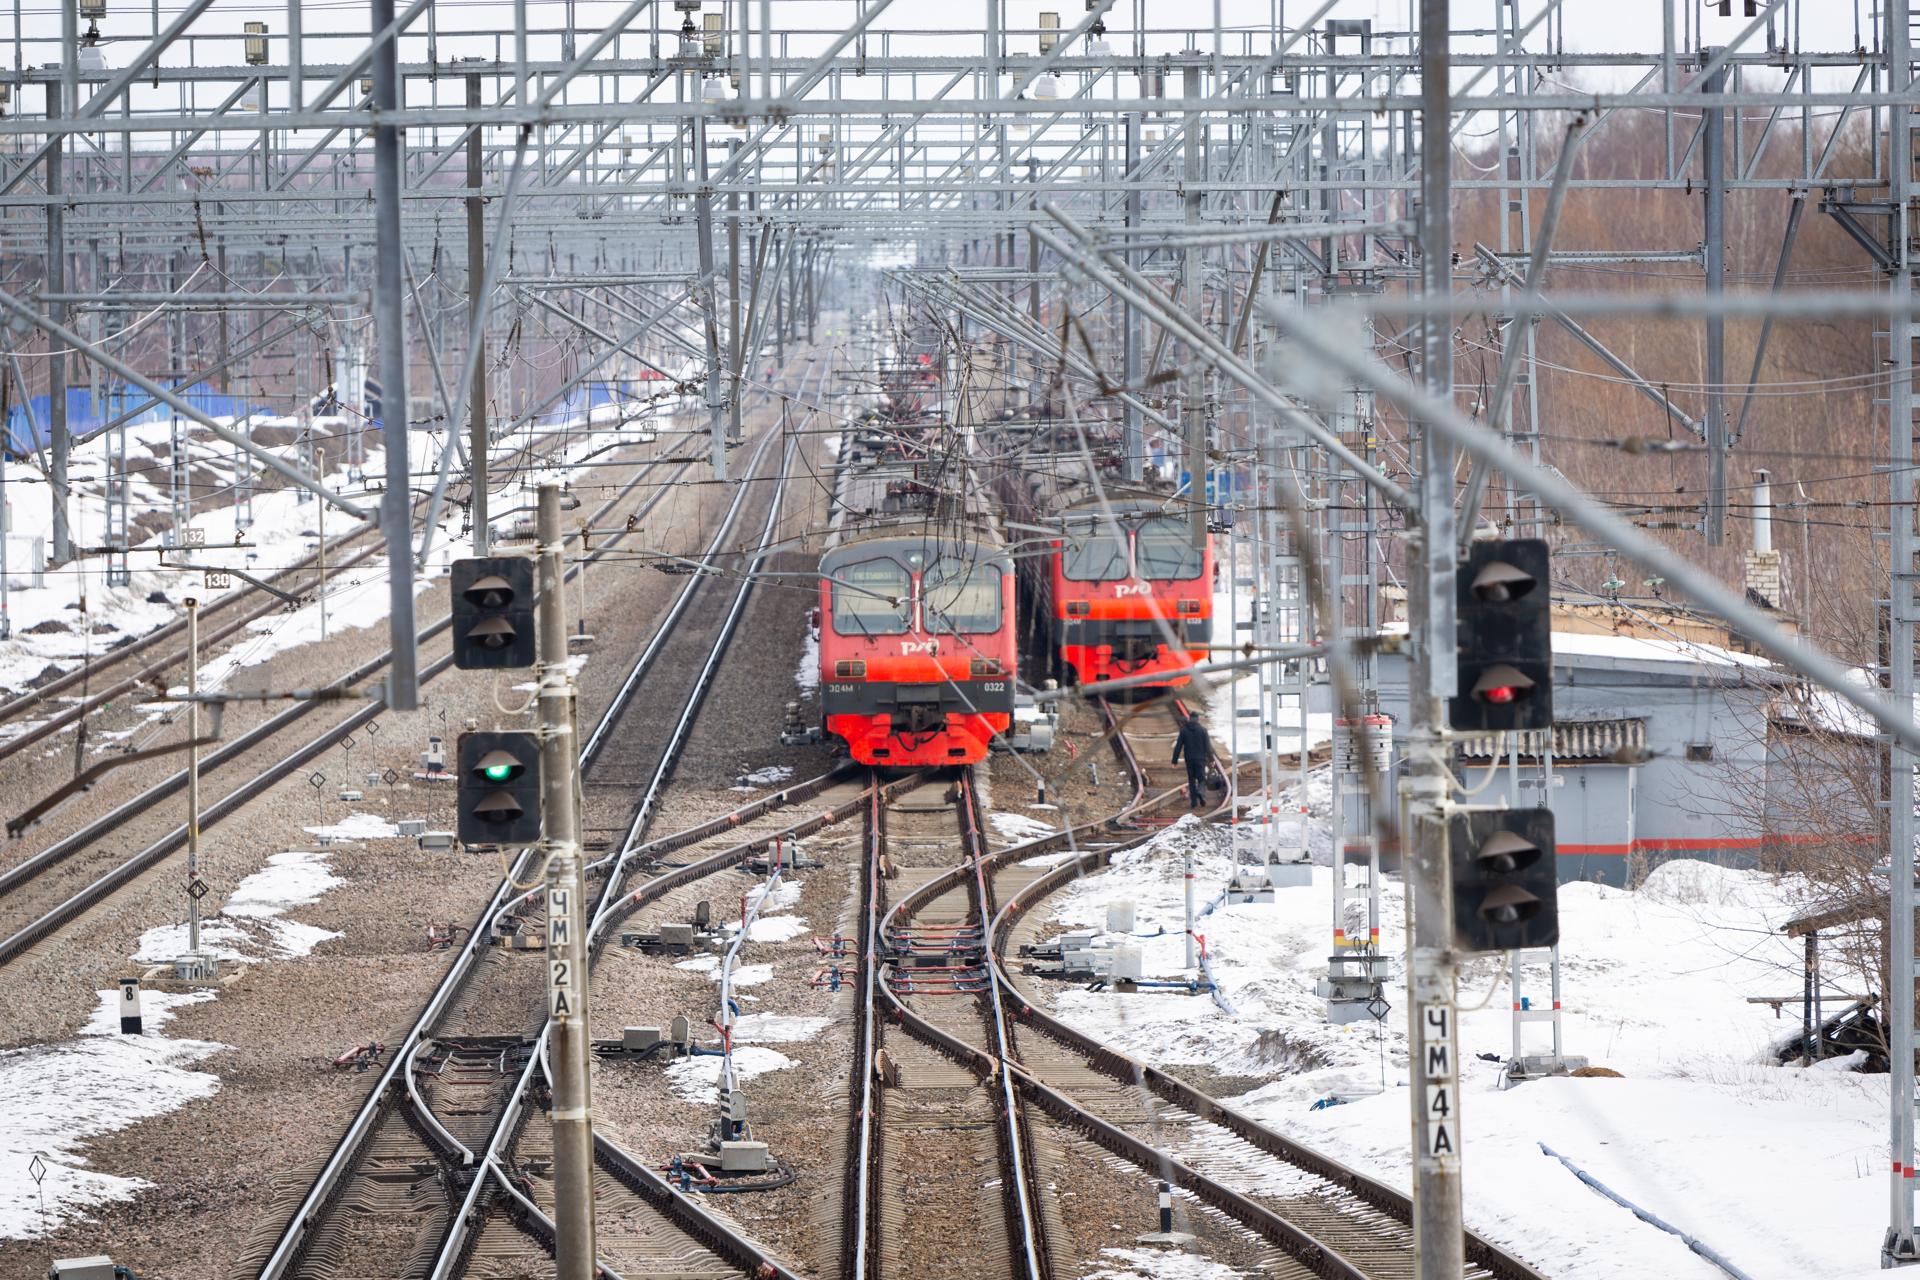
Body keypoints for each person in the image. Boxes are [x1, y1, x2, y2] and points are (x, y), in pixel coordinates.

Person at [1172, 715, 1212, 809]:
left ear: (1189, 719)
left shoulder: (1184, 731)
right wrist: (1211, 760)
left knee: (1191, 780)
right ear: (1198, 719)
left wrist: (1174, 760)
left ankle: (1193, 803)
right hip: (1200, 759)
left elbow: (1178, 746)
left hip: (1189, 759)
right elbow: (1208, 747)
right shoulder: (1203, 730)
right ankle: (1201, 793)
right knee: (1202, 779)